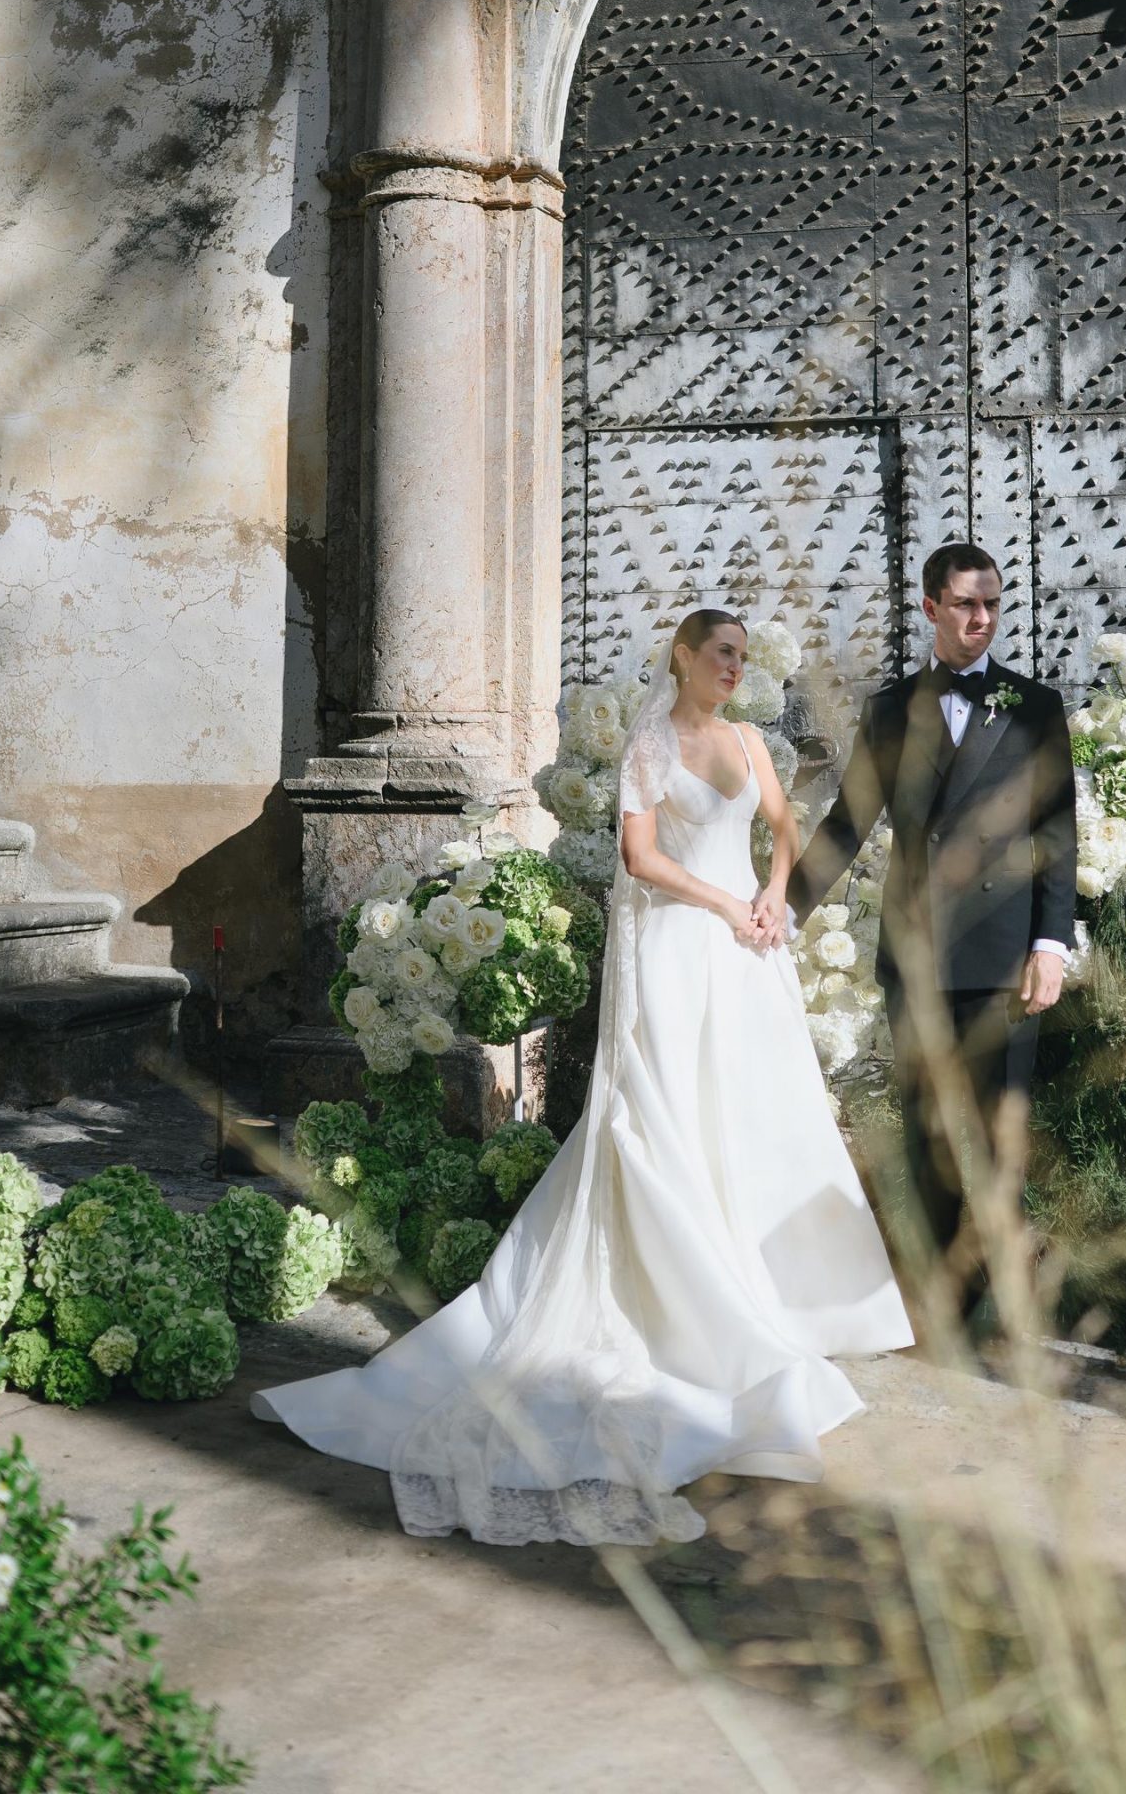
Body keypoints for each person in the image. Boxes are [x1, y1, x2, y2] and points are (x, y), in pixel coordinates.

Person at [252, 607, 912, 1547]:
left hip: (743, 956)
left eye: (740, 656)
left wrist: (772, 894)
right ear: (681, 659)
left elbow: (781, 824)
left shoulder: (752, 741)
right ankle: (694, 1305)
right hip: (683, 946)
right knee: (670, 1114)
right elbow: (640, 860)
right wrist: (727, 899)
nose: (733, 667)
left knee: (752, 1114)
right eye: (719, 653)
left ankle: (769, 1291)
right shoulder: (649, 743)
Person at [789, 544, 1076, 1324]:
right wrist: (781, 911)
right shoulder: (890, 711)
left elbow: (1056, 833)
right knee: (923, 1135)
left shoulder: (1034, 706)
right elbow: (847, 823)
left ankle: (993, 1301)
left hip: (1005, 954)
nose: (979, 618)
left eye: (990, 603)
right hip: (916, 958)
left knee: (997, 1134)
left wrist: (1051, 945)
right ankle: (933, 1304)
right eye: (963, 604)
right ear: (930, 609)